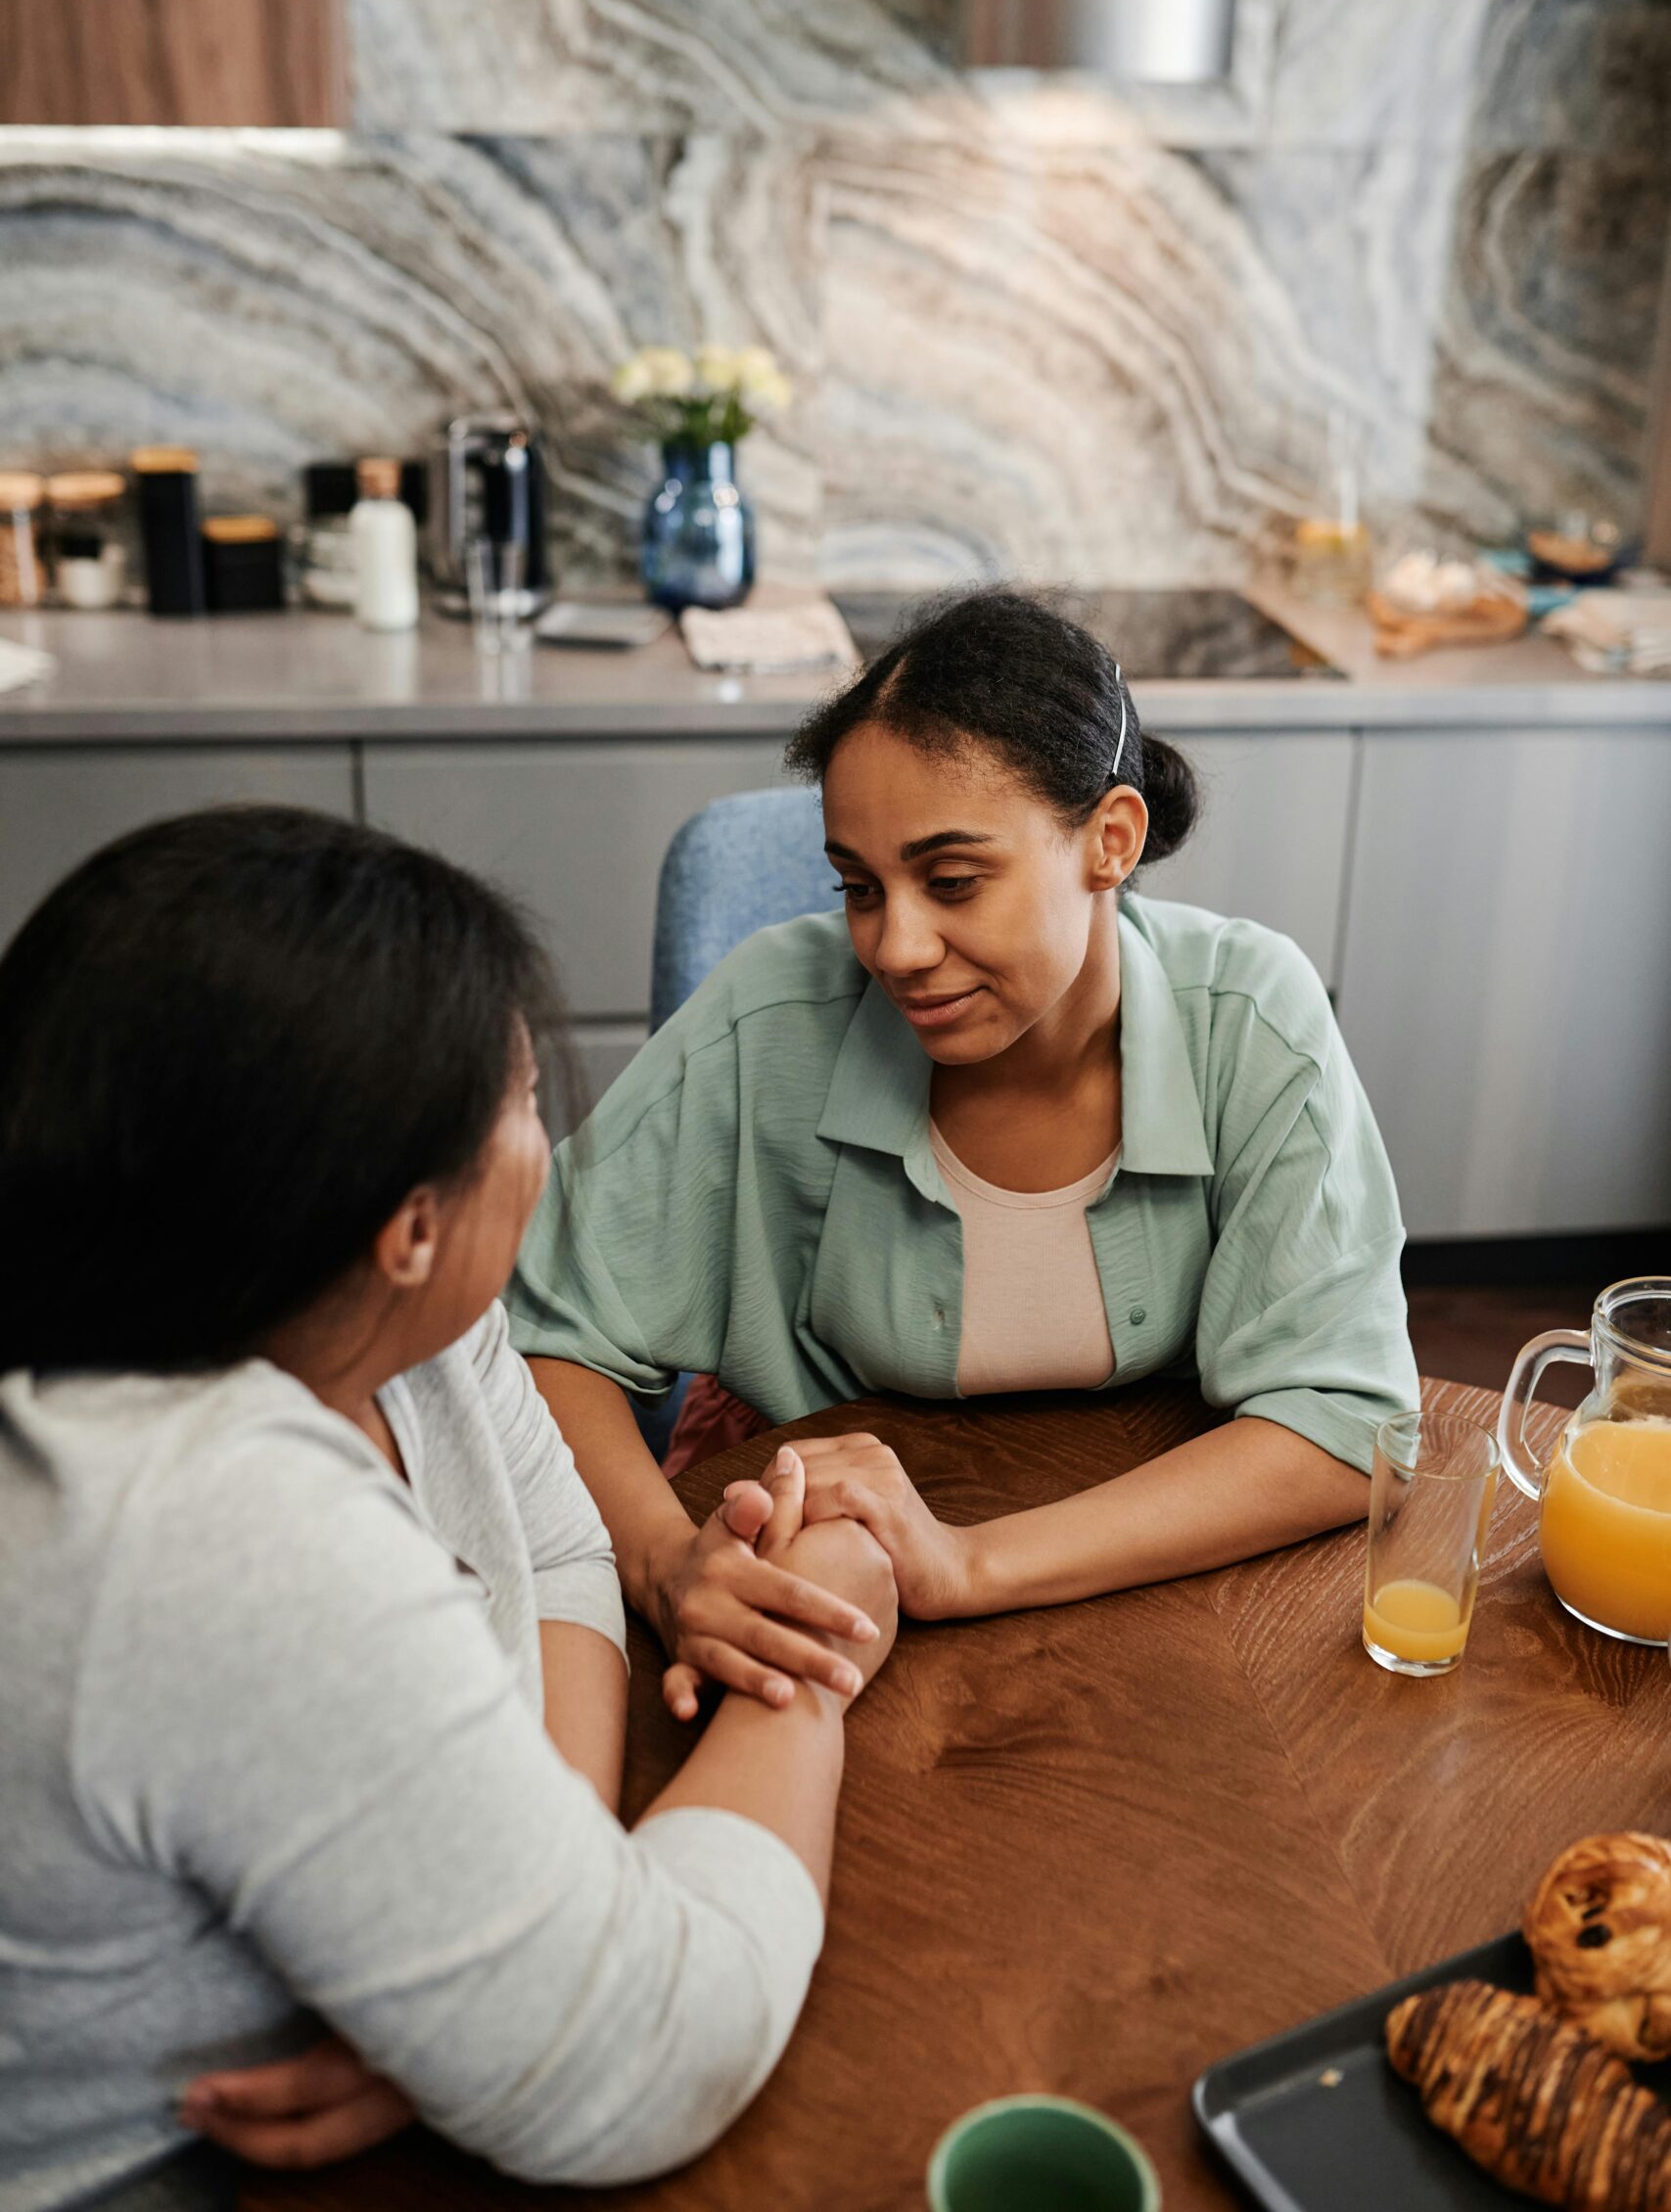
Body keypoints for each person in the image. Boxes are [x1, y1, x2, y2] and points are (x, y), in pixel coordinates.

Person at [0, 808, 895, 2212]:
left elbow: (551, 1546)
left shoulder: (367, 1306)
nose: (543, 1143)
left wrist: (505, 1940)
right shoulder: (212, 1523)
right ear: (408, 1222)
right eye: (526, 1104)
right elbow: (657, 2047)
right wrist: (822, 1637)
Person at [510, 588, 1420, 1720]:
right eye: (857, 887)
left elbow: (1342, 1427)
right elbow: (547, 1337)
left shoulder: (1253, 1016)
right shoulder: (767, 1016)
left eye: (952, 882)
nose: (895, 946)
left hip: (1158, 1585)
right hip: (829, 1561)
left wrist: (969, 1564)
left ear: (1110, 841)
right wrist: (665, 1561)